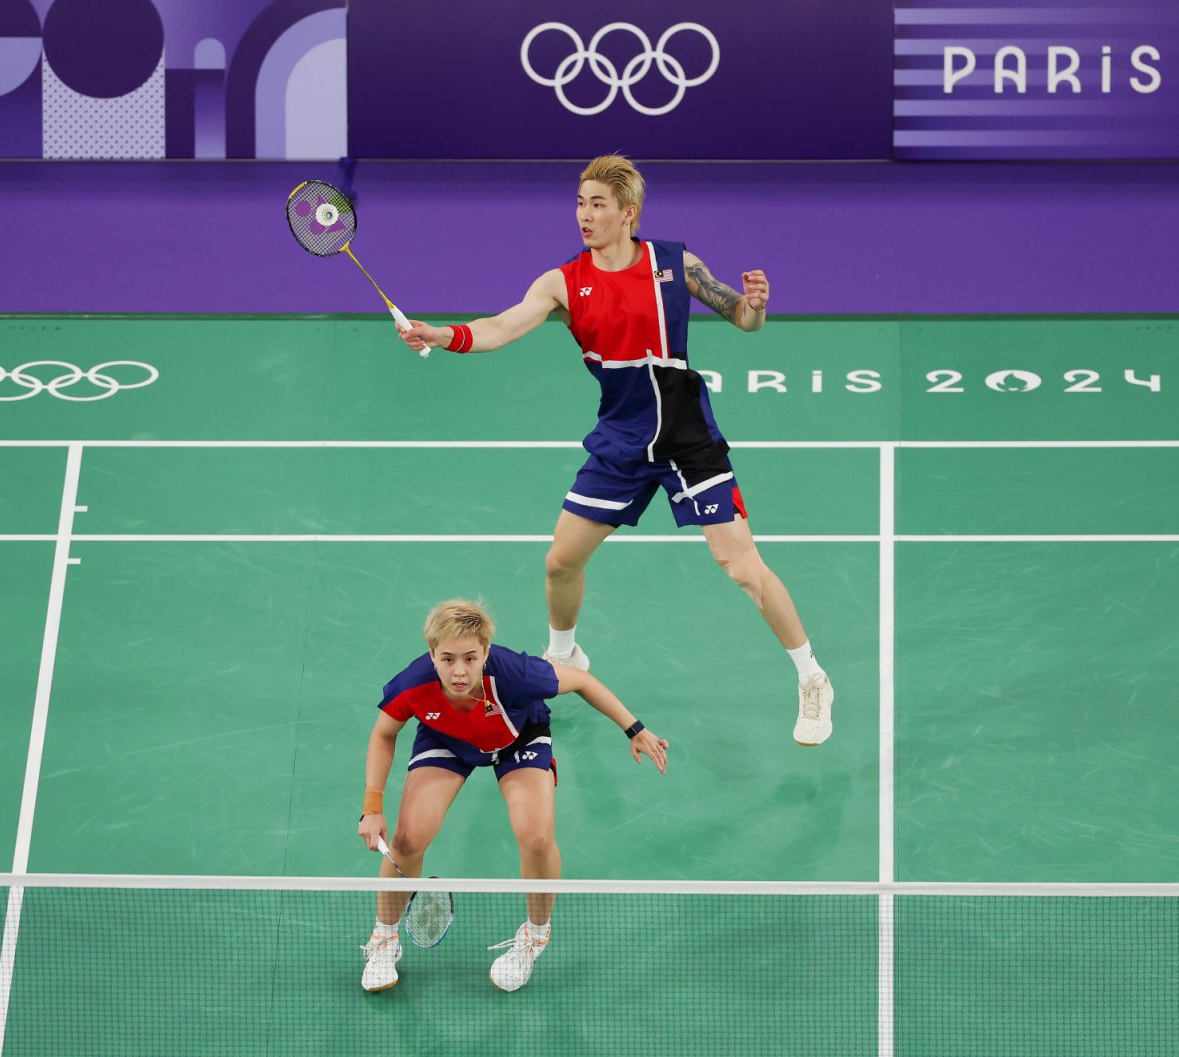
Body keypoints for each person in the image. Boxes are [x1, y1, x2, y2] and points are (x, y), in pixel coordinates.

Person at [398, 155, 833, 746]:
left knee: (742, 568)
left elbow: (740, 317)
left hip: (687, 440)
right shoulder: (562, 282)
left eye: (597, 204)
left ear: (628, 214)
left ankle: (812, 677)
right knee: (560, 562)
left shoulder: (674, 265)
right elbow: (500, 327)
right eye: (580, 203)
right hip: (622, 440)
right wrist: (440, 334)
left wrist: (754, 305)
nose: (584, 215)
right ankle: (563, 656)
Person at [356, 598, 668, 993]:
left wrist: (634, 729)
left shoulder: (517, 675)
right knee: (407, 839)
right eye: (448, 658)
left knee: (535, 838)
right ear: (432, 654)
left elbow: (583, 681)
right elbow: (384, 733)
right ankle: (384, 939)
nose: (459, 671)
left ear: (486, 652)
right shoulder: (413, 684)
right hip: (448, 739)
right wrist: (371, 807)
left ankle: (535, 936)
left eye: (470, 658)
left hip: (517, 738)